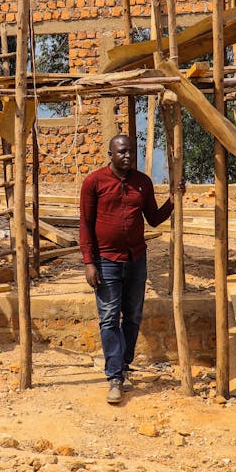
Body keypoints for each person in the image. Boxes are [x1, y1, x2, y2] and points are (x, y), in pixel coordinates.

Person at [79, 134, 174, 405]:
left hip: (135, 259)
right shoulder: (94, 182)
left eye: (131, 151)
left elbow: (153, 219)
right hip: (106, 260)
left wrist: (172, 202)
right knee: (109, 317)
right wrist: (88, 262)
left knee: (132, 315)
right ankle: (114, 377)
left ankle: (123, 362)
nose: (127, 156)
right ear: (110, 153)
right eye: (122, 152)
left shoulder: (142, 183)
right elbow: (85, 223)